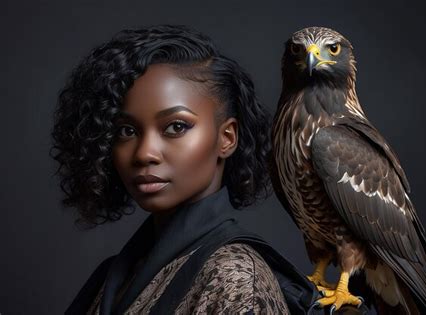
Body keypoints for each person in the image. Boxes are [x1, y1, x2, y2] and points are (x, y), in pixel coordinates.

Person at [50, 25, 316, 314]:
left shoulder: (233, 278)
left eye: (176, 127)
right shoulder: (115, 275)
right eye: (127, 130)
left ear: (226, 138)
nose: (144, 153)